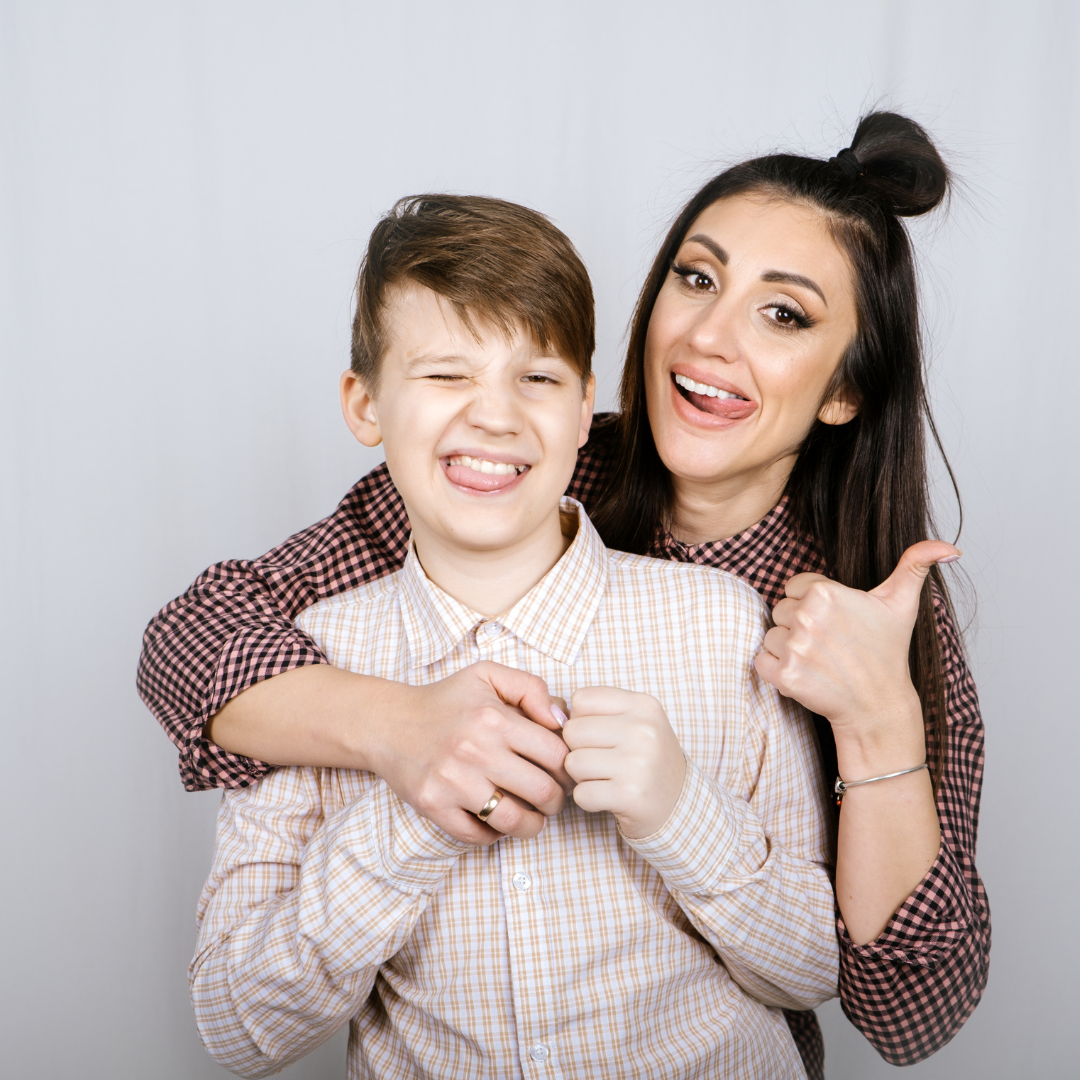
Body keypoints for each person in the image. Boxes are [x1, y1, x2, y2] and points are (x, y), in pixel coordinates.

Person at [140, 112, 988, 1077]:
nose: (709, 336)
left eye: (783, 313)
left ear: (846, 389)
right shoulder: (519, 465)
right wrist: (404, 730)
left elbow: (906, 1010)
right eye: (697, 279)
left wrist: (881, 722)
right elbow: (194, 641)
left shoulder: (864, 608)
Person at [191, 194, 837, 1078]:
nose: (494, 416)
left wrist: (684, 811)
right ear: (365, 405)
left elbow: (811, 971)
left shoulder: (721, 622)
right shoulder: (308, 667)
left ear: (583, 413)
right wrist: (406, 819)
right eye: (445, 373)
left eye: (536, 378)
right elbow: (234, 1030)